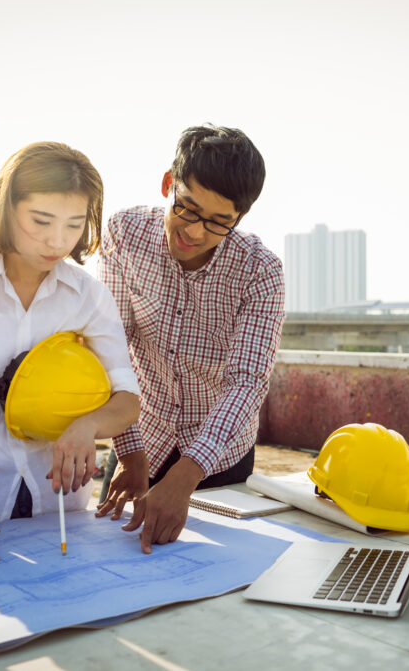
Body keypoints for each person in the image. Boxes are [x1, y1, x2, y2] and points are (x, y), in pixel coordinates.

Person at [0, 141, 140, 528]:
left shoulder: (89, 297)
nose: (58, 241)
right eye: (41, 221)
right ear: (5, 207)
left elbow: (126, 398)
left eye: (74, 225)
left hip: (60, 503)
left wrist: (88, 425)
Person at [95, 124, 285, 553]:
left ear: (240, 218)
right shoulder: (125, 234)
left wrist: (185, 475)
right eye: (187, 209)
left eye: (220, 222)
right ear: (168, 184)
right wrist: (129, 452)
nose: (196, 233)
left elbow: (247, 382)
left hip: (218, 456)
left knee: (212, 588)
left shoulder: (261, 271)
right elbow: (110, 348)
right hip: (138, 440)